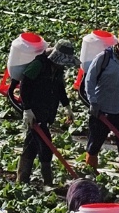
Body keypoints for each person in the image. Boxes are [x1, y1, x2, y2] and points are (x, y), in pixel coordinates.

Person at [7, 40, 77, 185]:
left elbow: (59, 87)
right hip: (34, 109)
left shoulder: (58, 68)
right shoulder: (39, 64)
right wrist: (27, 109)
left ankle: (22, 179)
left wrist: (67, 106)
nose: (62, 65)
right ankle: (48, 182)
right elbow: (25, 85)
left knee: (31, 145)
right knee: (45, 146)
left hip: (47, 109)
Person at [84, 29, 119, 177]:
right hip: (102, 110)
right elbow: (89, 80)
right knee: (94, 144)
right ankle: (90, 173)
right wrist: (93, 102)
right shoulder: (104, 58)